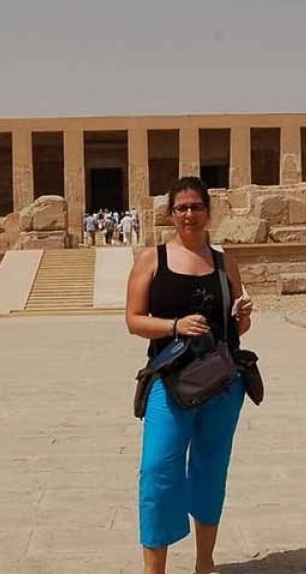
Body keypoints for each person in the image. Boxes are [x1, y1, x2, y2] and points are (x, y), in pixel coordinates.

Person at [125, 176, 253, 574]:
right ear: (171, 213)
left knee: (210, 469)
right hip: (170, 378)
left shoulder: (223, 261)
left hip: (221, 382)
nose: (189, 214)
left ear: (208, 211)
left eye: (196, 206)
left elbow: (236, 329)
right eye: (181, 207)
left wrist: (244, 315)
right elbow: (133, 320)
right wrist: (175, 326)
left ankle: (204, 562)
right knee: (158, 470)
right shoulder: (151, 259)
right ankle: (154, 570)